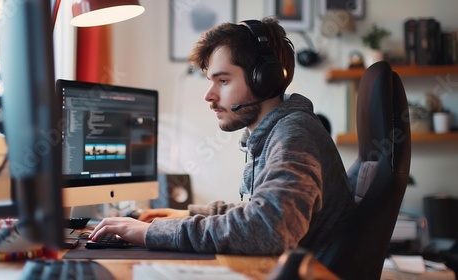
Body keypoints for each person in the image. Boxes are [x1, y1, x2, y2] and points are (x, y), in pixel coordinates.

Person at [89, 17, 356, 256]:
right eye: (210, 81)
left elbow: (268, 228)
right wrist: (187, 214)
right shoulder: (277, 132)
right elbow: (260, 210)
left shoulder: (294, 134)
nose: (209, 95)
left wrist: (150, 233)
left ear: (264, 79)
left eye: (223, 81)